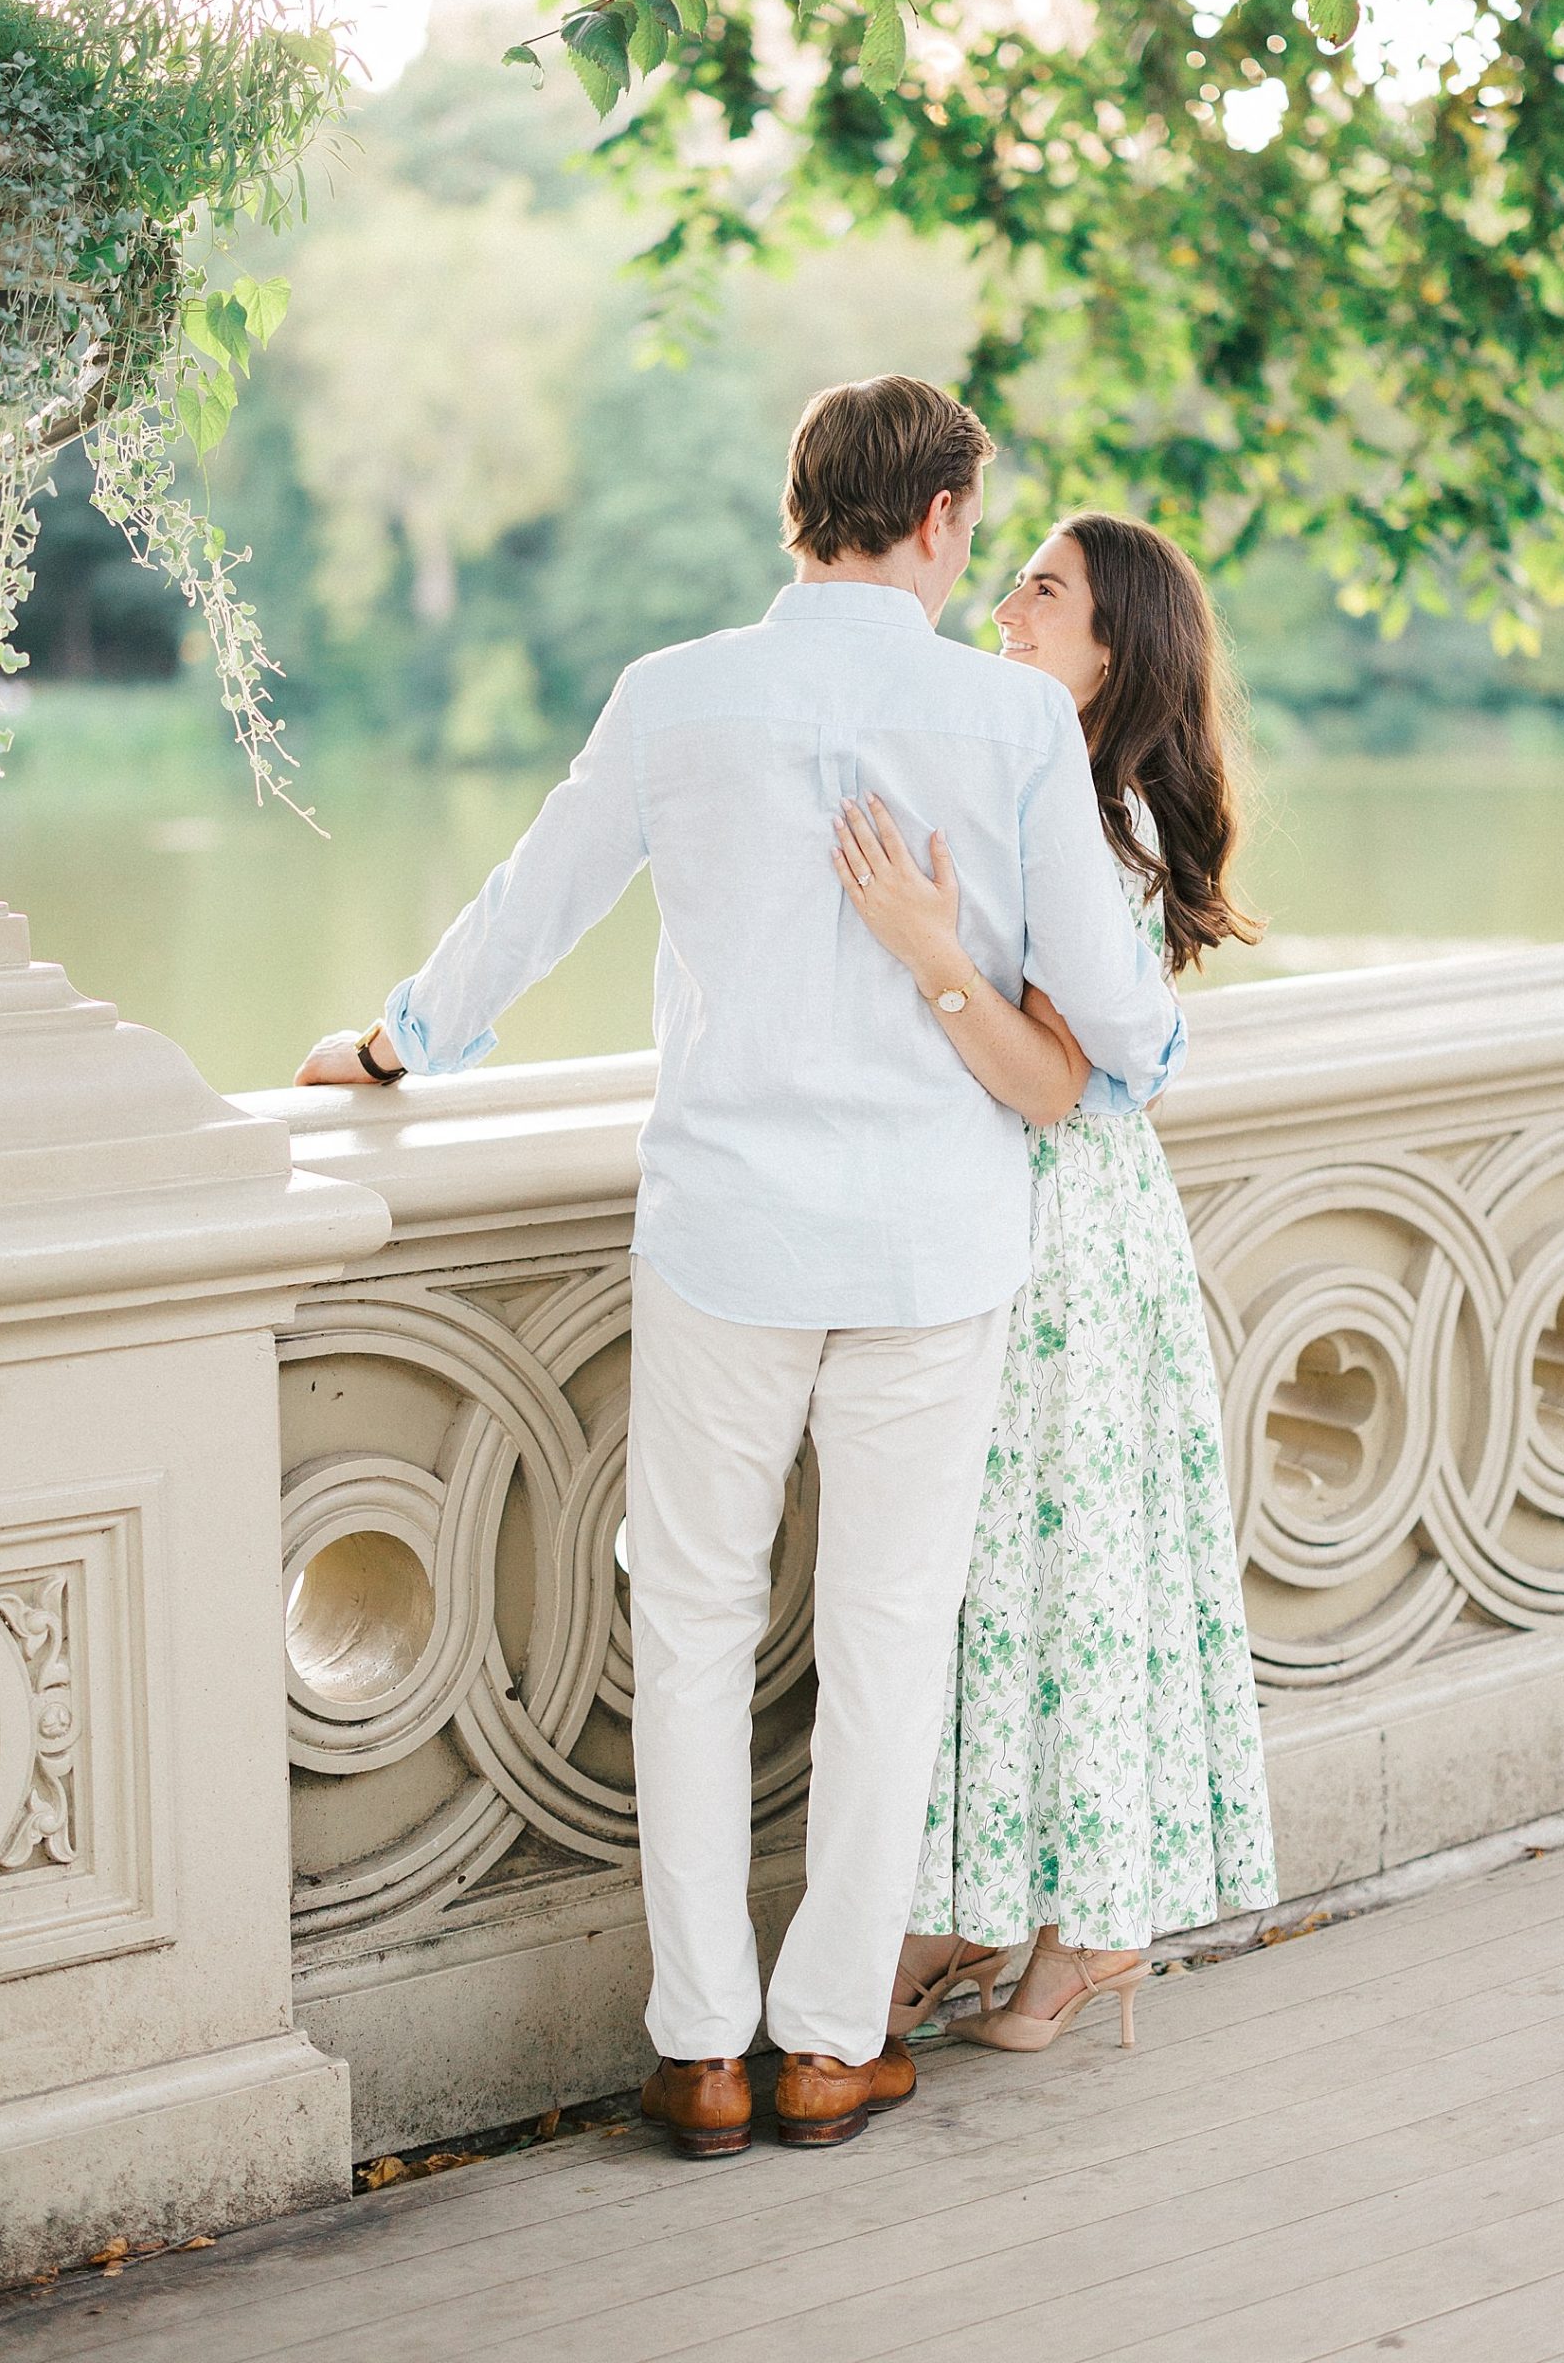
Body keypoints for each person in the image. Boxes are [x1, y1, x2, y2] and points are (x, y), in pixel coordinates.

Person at [295, 382, 1185, 2153]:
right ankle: (830, 2044)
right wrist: (1113, 1043)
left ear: (801, 508)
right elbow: (1116, 1020)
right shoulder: (1010, 716)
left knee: (692, 1631)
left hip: (725, 1235)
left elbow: (530, 907)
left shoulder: (674, 694)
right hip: (930, 1244)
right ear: (939, 519)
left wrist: (396, 1048)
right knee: (884, 1641)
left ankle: (701, 2051)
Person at [833, 512, 1277, 2055]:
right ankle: (996, 1911)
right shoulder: (1039, 782)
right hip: (1008, 1220)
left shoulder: (1104, 825)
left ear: (1112, 649)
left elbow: (1050, 1081)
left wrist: (926, 950)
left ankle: (1080, 1927)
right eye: (1011, 579)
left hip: (1062, 1236)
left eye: (1044, 590)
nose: (1006, 607)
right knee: (996, 1587)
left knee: (1056, 1583)